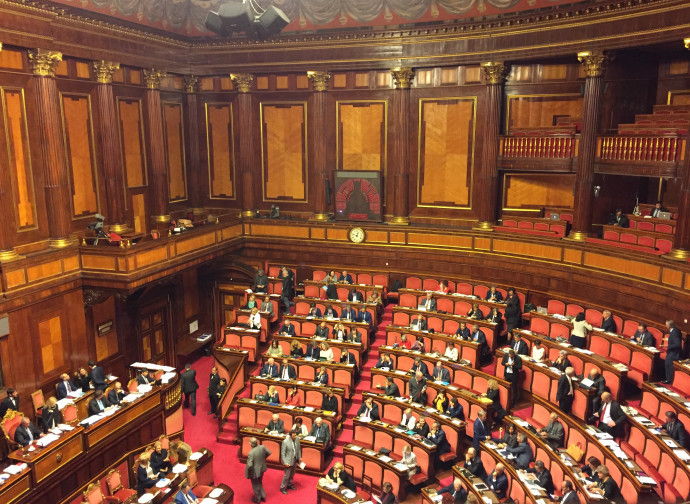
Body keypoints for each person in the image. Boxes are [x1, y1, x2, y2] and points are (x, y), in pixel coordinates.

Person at [245, 437, 270, 503]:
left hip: (255, 471)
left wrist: (248, 473)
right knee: (259, 482)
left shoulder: (251, 453)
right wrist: (263, 459)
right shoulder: (262, 447)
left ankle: (257, 498)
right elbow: (269, 452)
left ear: (250, 444)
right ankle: (263, 496)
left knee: (255, 484)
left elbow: (249, 465)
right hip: (262, 468)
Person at [280, 430, 301, 494]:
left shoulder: (297, 439)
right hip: (288, 461)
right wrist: (285, 462)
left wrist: (299, 457)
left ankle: (289, 484)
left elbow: (298, 448)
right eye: (294, 435)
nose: (295, 436)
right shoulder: (285, 442)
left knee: (292, 474)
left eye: (295, 435)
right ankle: (282, 487)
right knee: (287, 475)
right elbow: (283, 453)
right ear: (290, 436)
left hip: (294, 459)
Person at [664, 319, 682, 384]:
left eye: (666, 325)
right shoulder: (673, 331)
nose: (666, 326)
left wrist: (668, 347)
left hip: (674, 354)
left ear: (669, 326)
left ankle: (670, 382)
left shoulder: (675, 332)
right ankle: (668, 380)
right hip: (670, 353)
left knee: (670, 368)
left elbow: (678, 344)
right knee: (667, 365)